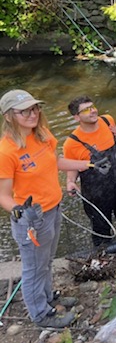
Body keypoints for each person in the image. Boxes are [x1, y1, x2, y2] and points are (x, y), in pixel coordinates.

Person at [0, 89, 92, 329]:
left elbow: (56, 162)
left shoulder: (42, 135)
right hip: (31, 219)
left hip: (53, 208)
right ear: (9, 116)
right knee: (33, 268)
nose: (33, 114)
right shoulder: (6, 151)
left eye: (35, 108)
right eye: (25, 111)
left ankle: (49, 298)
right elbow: (3, 196)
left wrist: (87, 164)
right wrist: (19, 211)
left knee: (48, 261)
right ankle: (41, 316)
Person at [63, 96, 116, 248]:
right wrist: (70, 182)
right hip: (96, 196)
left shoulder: (107, 120)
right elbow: (72, 167)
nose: (92, 111)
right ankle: (105, 260)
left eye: (92, 107)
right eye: (85, 110)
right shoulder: (72, 143)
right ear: (76, 117)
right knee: (102, 235)